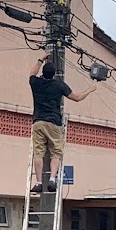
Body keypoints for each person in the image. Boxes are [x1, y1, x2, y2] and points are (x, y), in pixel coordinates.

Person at [29, 51, 97, 193]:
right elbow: (77, 98)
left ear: (43, 72)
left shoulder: (36, 83)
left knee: (38, 153)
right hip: (54, 122)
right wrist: (90, 90)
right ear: (54, 74)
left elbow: (32, 73)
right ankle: (52, 179)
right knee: (56, 152)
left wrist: (41, 59)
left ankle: (39, 182)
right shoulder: (59, 85)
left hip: (38, 122)